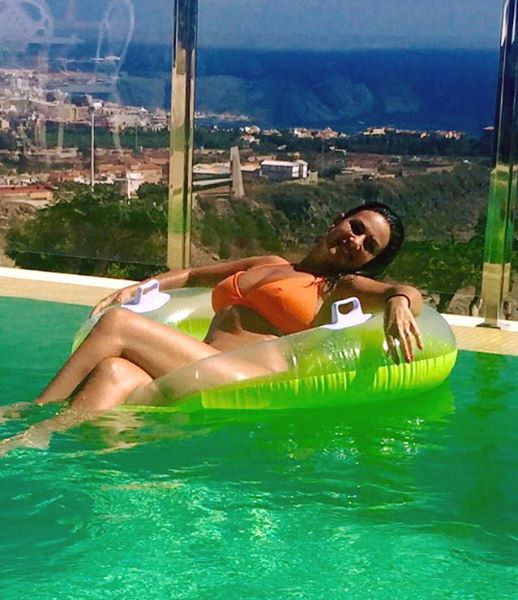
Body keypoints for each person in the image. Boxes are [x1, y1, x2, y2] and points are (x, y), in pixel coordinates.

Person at [0, 201, 423, 452]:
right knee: (114, 372)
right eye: (356, 228)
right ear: (338, 221)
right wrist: (139, 287)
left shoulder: (338, 286)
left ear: (369, 263)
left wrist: (400, 302)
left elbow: (404, 290)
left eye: (369, 246)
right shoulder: (271, 264)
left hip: (243, 374)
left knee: (118, 324)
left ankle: (27, 414)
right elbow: (191, 276)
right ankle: (54, 450)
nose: (355, 241)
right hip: (204, 361)